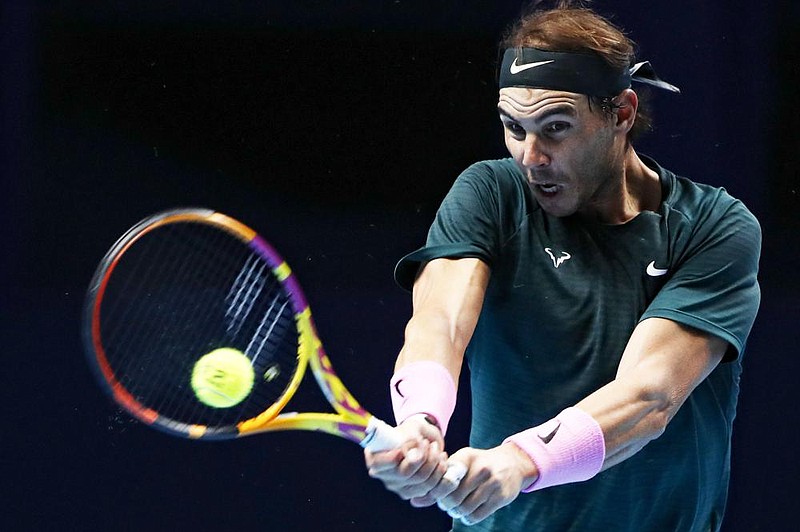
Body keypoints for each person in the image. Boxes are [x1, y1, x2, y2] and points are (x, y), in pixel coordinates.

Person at [363, 2, 761, 531]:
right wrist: (422, 418)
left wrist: (520, 462)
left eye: (555, 127)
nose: (530, 156)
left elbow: (649, 396)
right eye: (514, 127)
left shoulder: (714, 227)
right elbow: (440, 321)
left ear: (621, 113)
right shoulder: (491, 193)